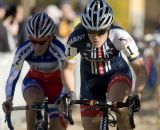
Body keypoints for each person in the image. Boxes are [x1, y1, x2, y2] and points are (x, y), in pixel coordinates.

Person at [61, 0, 147, 130]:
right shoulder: (75, 39)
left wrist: (138, 94)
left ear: (108, 27)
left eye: (101, 32)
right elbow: (67, 69)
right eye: (91, 31)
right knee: (91, 127)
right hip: (90, 81)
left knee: (120, 108)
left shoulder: (120, 36)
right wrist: (70, 92)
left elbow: (140, 69)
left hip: (117, 74)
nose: (96, 37)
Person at [2, 12, 67, 130]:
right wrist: (9, 99)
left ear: (51, 37)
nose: (37, 47)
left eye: (42, 42)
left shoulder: (60, 49)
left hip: (57, 84)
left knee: (56, 127)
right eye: (33, 41)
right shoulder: (23, 49)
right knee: (34, 101)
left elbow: (67, 74)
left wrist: (63, 96)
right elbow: (12, 77)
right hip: (35, 81)